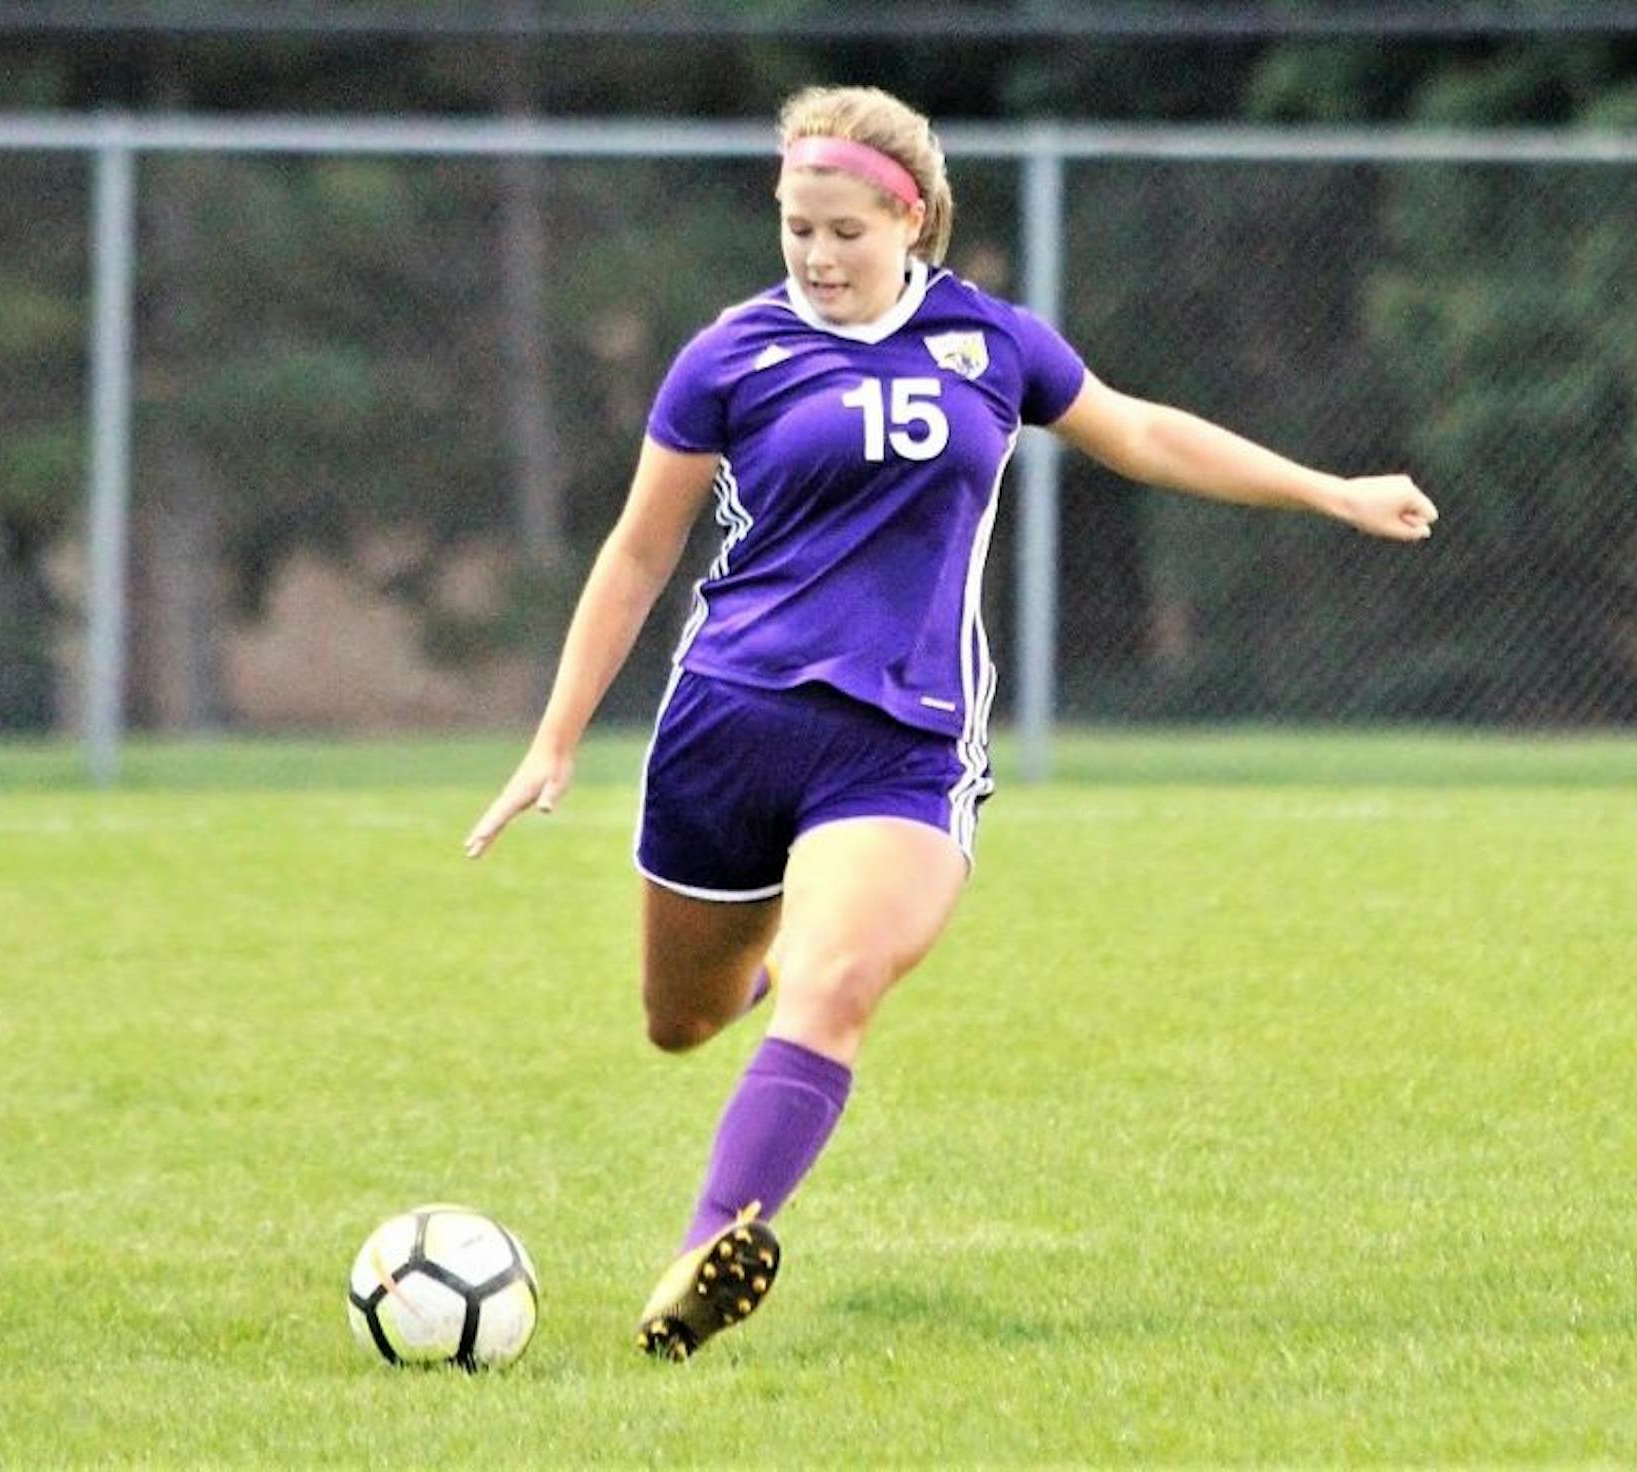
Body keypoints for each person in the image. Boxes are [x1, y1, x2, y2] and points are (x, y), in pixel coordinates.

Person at [464, 84, 1437, 1361]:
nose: (816, 255)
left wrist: (1329, 492)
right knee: (682, 1019)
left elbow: (1137, 430)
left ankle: (706, 1249)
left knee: (841, 979)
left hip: (901, 740)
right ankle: (760, 967)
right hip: (730, 723)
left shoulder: (992, 344)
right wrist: (554, 739)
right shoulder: (728, 356)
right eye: (796, 228)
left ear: (909, 221)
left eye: (844, 232)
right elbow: (640, 553)